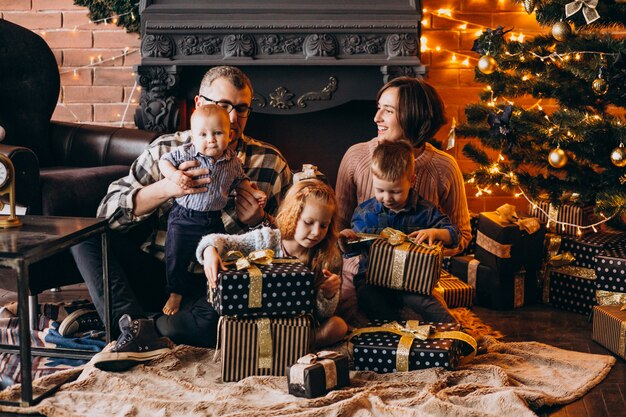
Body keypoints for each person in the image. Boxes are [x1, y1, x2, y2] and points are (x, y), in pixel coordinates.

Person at [73, 66, 292, 371]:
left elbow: (290, 246)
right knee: (84, 237)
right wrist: (164, 188)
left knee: (223, 324)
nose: (232, 118)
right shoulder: (167, 150)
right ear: (200, 104)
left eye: (241, 109)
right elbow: (106, 214)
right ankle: (136, 328)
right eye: (223, 106)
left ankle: (138, 325)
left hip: (217, 285)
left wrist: (259, 220)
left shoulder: (270, 163)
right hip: (160, 272)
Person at [334, 77, 471, 323]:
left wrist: (432, 242)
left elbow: (462, 235)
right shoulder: (355, 157)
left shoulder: (444, 167)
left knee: (427, 324)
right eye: (378, 108)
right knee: (357, 320)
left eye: (388, 111)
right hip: (365, 275)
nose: (376, 118)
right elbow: (338, 227)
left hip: (416, 278)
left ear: (412, 116)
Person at [198, 179, 348, 348]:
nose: (316, 232)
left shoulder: (329, 257)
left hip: (298, 326)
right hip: (257, 320)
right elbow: (221, 241)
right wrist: (210, 250)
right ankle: (284, 346)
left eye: (323, 226)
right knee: (206, 324)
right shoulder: (267, 239)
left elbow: (323, 314)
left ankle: (288, 344)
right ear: (293, 214)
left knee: (338, 326)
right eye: (308, 222)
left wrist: (328, 295)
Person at [158, 104, 266, 316]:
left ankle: (214, 290)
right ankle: (175, 292)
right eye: (203, 134)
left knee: (219, 256)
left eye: (217, 133)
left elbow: (240, 181)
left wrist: (254, 194)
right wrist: (173, 175)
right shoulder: (187, 152)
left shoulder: (232, 160)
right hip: (184, 217)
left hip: (214, 219)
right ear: (193, 136)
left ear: (229, 134)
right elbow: (164, 161)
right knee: (176, 255)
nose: (211, 139)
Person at [339, 140, 460, 323]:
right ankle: (395, 330)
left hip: (413, 285)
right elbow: (354, 251)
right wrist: (346, 241)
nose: (387, 198)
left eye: (395, 192)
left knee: (430, 306)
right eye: (380, 190)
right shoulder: (365, 214)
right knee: (367, 298)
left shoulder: (425, 211)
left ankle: (459, 336)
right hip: (374, 283)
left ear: (412, 181)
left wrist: (435, 233)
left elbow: (455, 235)